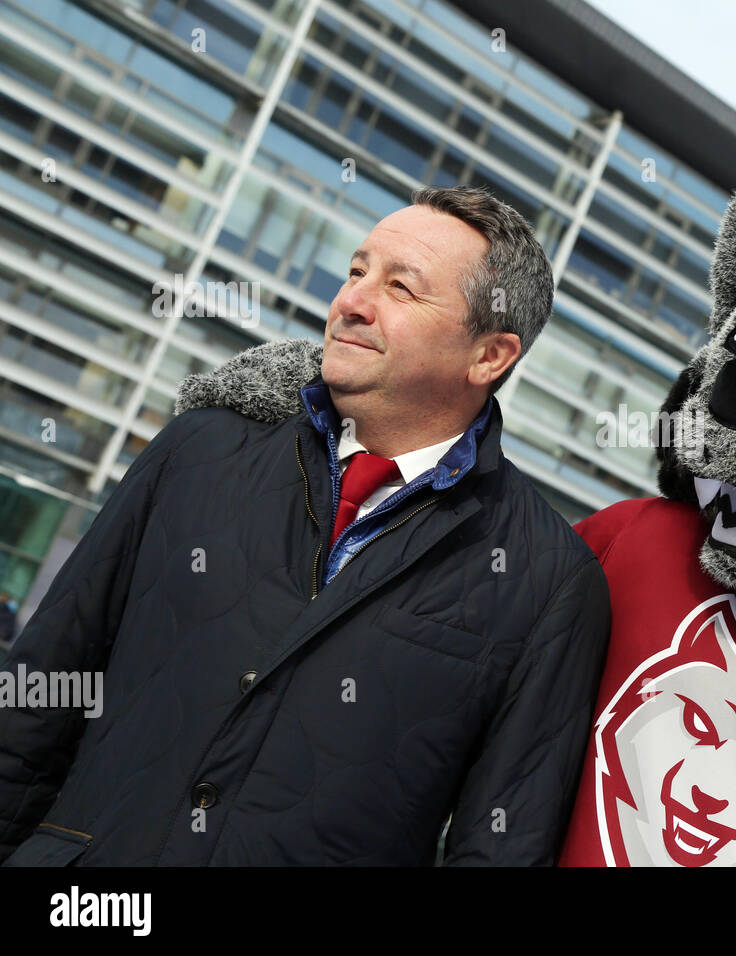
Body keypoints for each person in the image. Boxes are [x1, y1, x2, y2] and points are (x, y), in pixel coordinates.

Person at [0, 186, 610, 866]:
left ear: (489, 357)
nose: (351, 301)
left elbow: (500, 846)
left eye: (401, 288)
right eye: (356, 272)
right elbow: (34, 700)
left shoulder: (550, 579)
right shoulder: (197, 450)